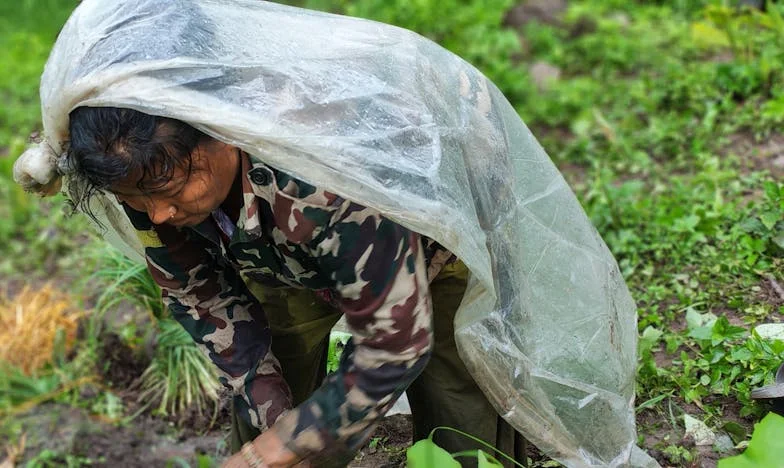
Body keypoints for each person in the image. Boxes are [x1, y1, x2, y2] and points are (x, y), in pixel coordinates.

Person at [66, 106, 528, 467]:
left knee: (458, 398)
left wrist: (294, 442)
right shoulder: (142, 169)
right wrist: (278, 432)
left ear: (220, 136)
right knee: (272, 390)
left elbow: (395, 342)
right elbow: (197, 292)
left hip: (417, 243)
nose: (158, 213)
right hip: (277, 254)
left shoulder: (323, 180)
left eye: (171, 190)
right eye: (135, 200)